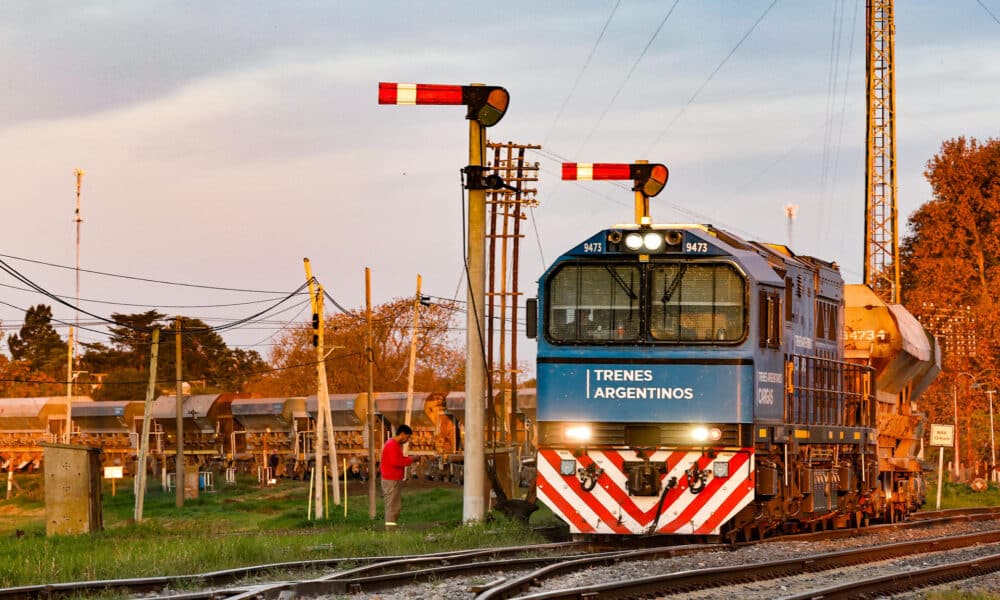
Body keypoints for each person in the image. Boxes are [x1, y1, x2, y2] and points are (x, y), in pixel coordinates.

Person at [380, 424, 413, 528]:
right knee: (392, 507)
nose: (407, 440)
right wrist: (411, 459)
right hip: (391, 480)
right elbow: (396, 462)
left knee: (395, 507)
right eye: (407, 437)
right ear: (402, 434)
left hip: (394, 479)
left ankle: (392, 528)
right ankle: (390, 531)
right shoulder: (392, 445)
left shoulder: (394, 444)